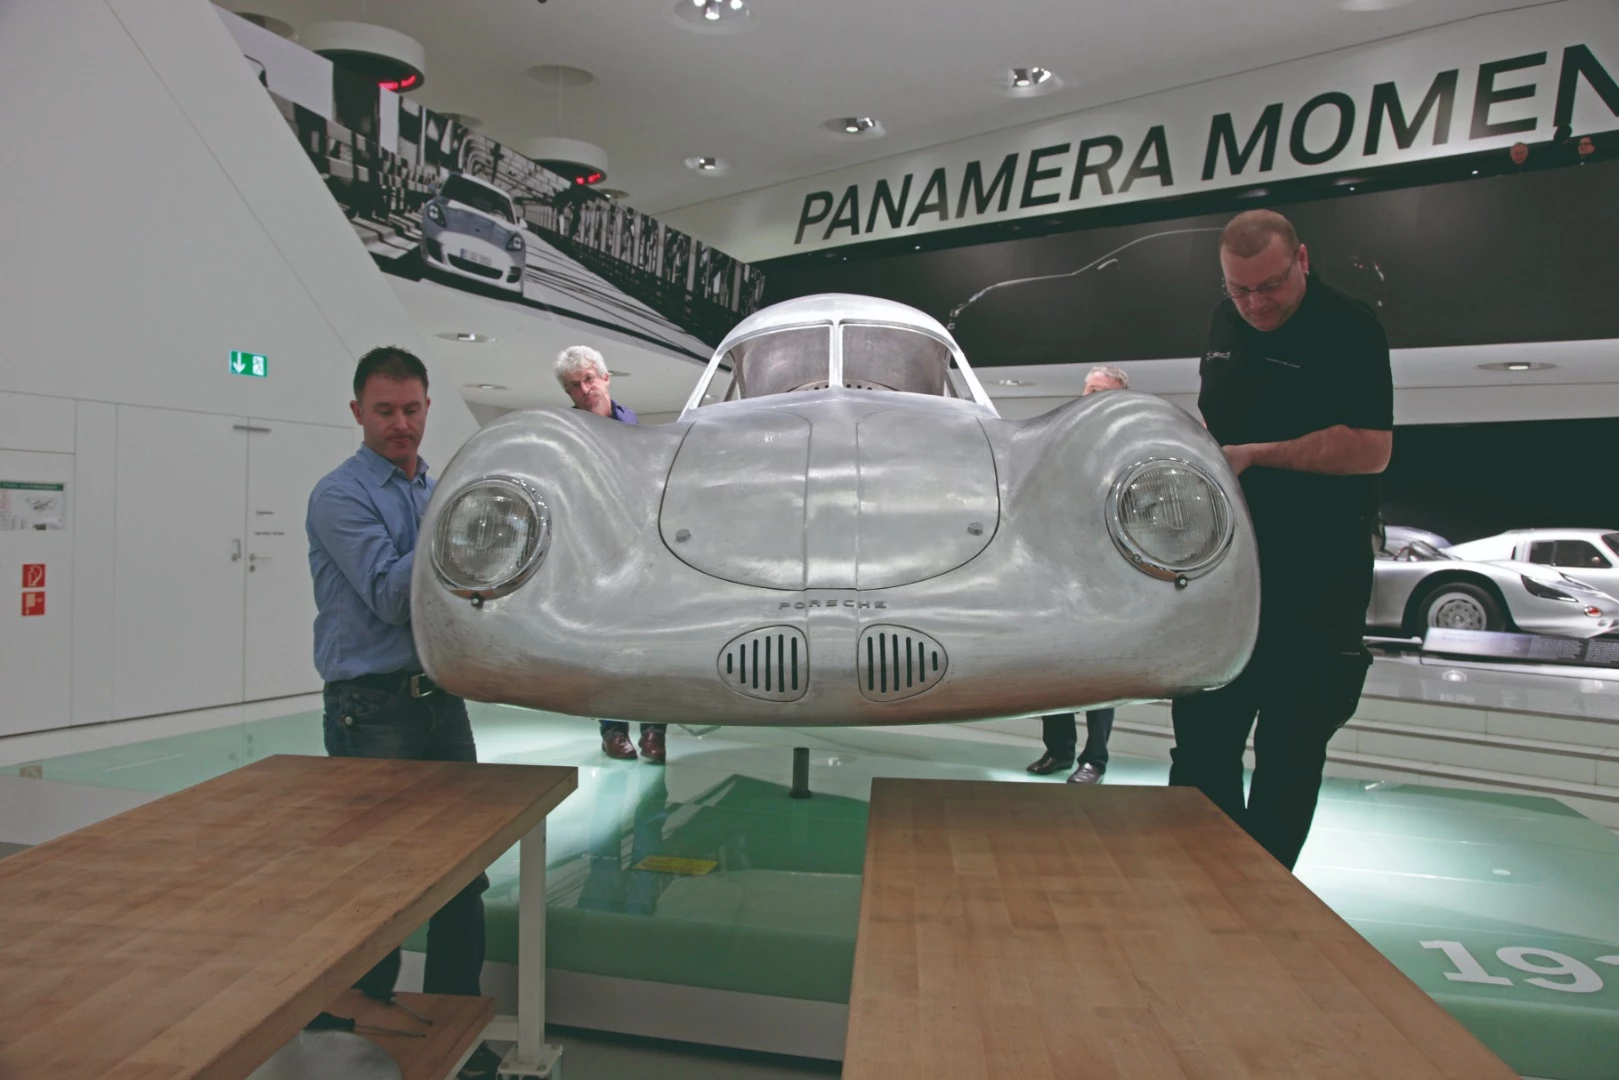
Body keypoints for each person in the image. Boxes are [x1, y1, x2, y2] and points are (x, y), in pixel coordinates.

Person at [1169, 210, 1392, 871]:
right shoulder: (1223, 320)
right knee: (1200, 745)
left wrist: (1254, 455)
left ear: (1302, 260)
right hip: (1229, 571)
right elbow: (1219, 414)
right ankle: (1203, 884)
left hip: (1318, 577)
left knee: (1290, 752)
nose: (1254, 304)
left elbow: (1370, 448)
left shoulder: (1348, 325)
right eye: (1238, 289)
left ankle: (1263, 896)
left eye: (1268, 286)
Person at [306, 346, 503, 1079]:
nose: (401, 424)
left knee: (463, 876)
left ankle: (457, 1036)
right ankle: (353, 1040)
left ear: (427, 408)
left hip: (440, 701)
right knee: (377, 886)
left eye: (412, 409)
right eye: (385, 410)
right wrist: (463, 529)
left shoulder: (434, 489)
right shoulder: (340, 495)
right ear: (357, 411)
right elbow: (394, 597)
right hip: (371, 711)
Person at [553, 345, 665, 764]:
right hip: (594, 554)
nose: (584, 390)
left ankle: (654, 730)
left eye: (588, 379)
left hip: (643, 551)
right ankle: (613, 731)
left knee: (651, 644)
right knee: (605, 646)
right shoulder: (565, 433)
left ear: (604, 377)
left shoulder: (634, 426)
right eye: (573, 385)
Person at [1028, 365, 1133, 784]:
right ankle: (1058, 750)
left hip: (1105, 576)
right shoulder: (1059, 440)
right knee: (1053, 666)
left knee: (1100, 674)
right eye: (1089, 390)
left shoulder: (1127, 447)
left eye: (1102, 392)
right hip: (1057, 570)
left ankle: (1095, 760)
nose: (1092, 398)